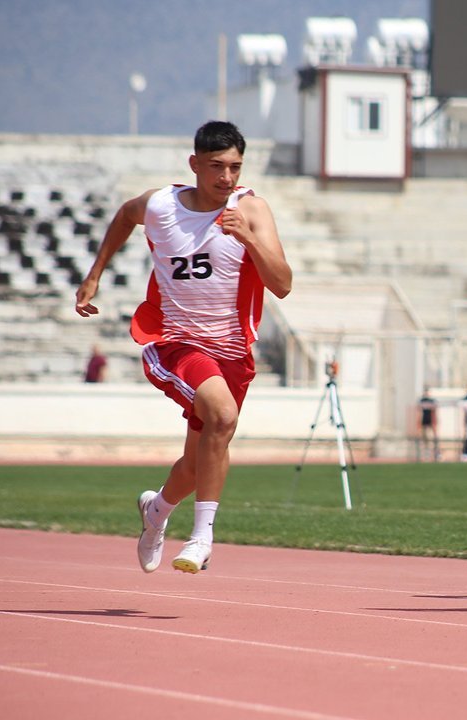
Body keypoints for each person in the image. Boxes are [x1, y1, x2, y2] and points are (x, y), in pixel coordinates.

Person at [75, 120, 293, 574]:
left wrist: (249, 238)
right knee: (223, 416)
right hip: (176, 343)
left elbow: (283, 284)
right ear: (194, 164)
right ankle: (201, 538)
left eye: (235, 167)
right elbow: (125, 216)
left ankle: (155, 511)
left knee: (195, 466)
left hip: (233, 354)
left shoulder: (251, 210)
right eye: (216, 166)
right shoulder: (160, 206)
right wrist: (95, 275)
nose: (226, 178)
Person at [417, 386, 439, 462]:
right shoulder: (422, 400)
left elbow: (435, 409)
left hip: (431, 420)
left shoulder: (432, 400)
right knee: (425, 437)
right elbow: (419, 409)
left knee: (434, 436)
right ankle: (427, 451)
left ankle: (436, 452)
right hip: (424, 420)